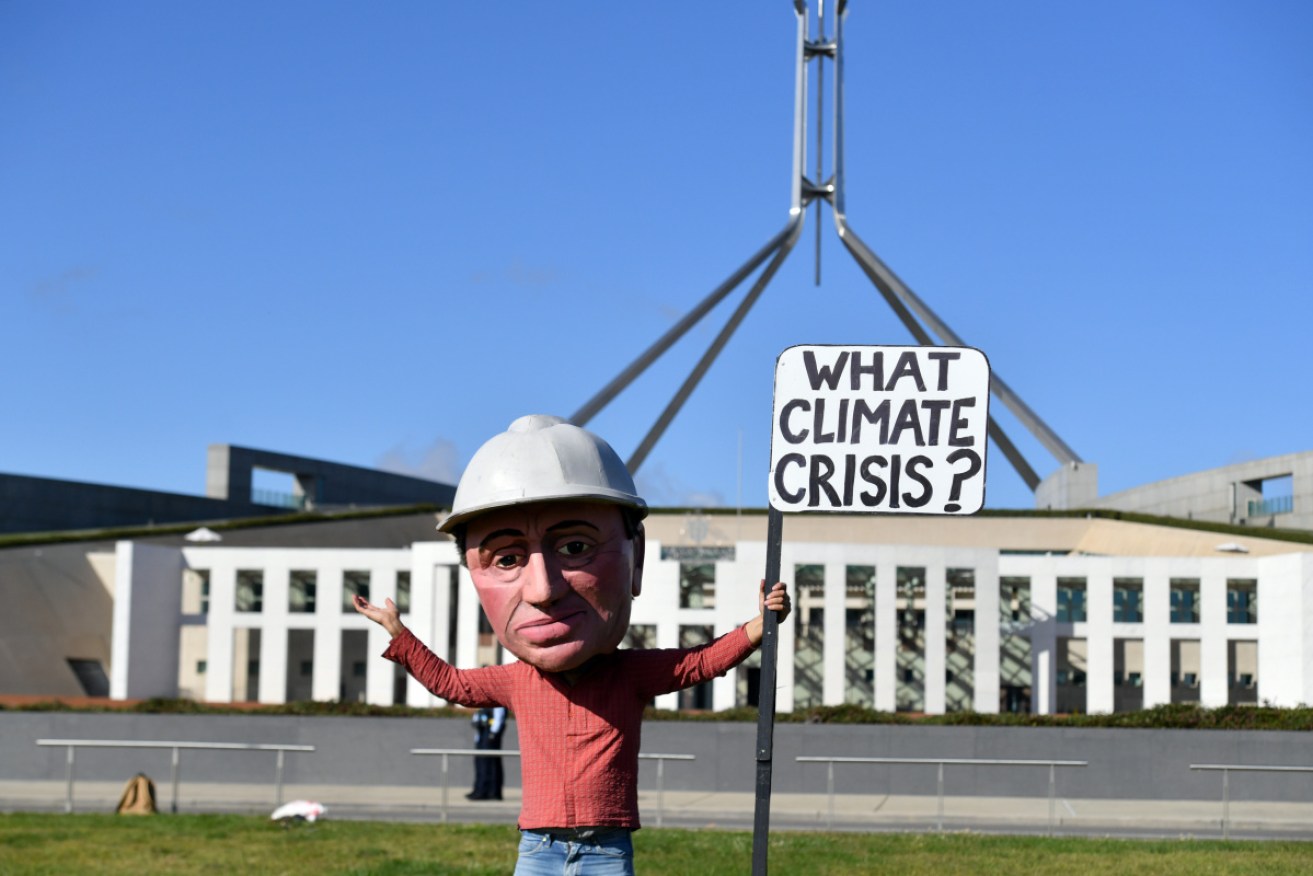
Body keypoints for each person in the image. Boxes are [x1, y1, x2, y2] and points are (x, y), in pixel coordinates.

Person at [354, 414, 789, 876]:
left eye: (577, 548)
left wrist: (757, 627)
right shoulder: (516, 680)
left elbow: (698, 664)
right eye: (506, 558)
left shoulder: (629, 675)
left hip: (607, 847)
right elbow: (452, 684)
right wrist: (398, 634)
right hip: (538, 848)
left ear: (635, 556)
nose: (543, 590)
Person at [467, 703, 507, 801]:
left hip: (490, 736)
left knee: (491, 764)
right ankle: (479, 789)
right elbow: (478, 717)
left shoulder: (497, 704)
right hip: (482, 735)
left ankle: (492, 792)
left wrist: (493, 733)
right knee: (480, 763)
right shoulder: (483, 704)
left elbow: (499, 719)